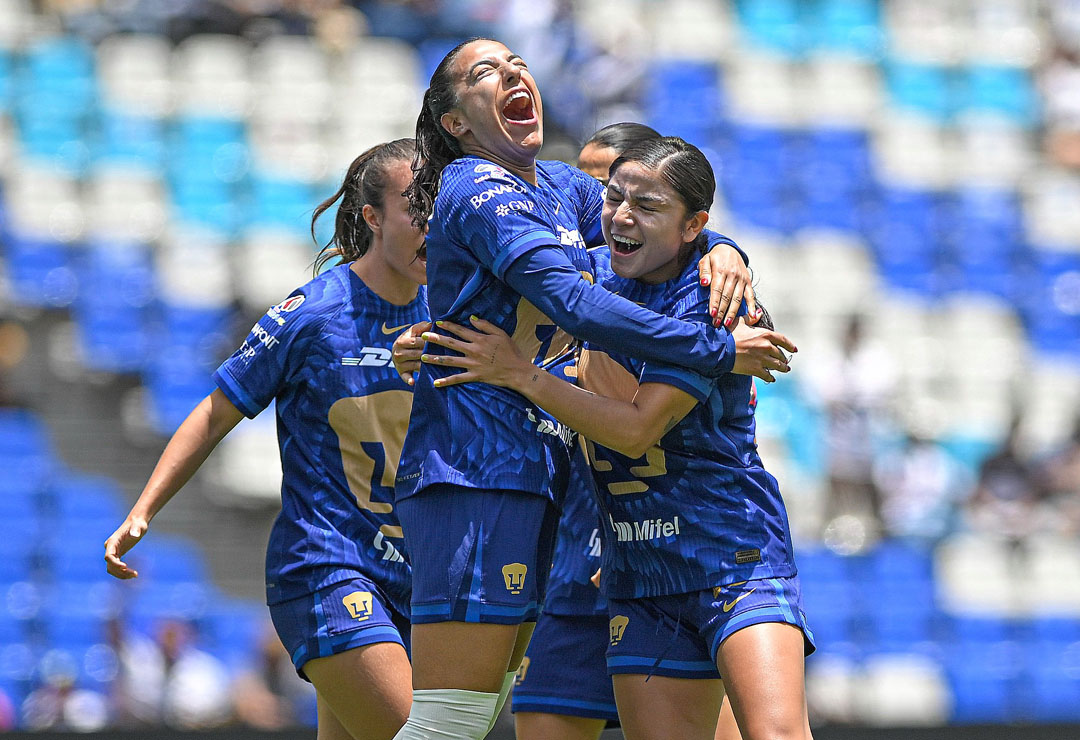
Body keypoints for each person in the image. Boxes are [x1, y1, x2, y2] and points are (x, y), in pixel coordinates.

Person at [390, 38, 792, 740]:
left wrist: (726, 249)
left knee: (474, 717)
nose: (513, 72)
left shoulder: (555, 187)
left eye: (517, 62)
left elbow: (652, 221)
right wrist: (718, 349)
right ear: (454, 123)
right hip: (476, 470)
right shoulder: (477, 189)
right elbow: (574, 303)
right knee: (450, 722)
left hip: (543, 473)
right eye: (485, 72)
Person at [104, 139, 427, 740]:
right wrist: (142, 512)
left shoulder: (453, 314)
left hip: (419, 571)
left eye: (439, 204)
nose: (431, 222)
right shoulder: (312, 314)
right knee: (421, 733)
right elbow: (215, 412)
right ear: (372, 217)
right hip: (329, 566)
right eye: (415, 205)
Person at [511, 122, 742, 740]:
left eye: (614, 180)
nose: (599, 198)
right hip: (574, 570)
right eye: (593, 182)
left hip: (668, 559)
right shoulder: (565, 282)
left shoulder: (705, 288)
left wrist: (724, 251)